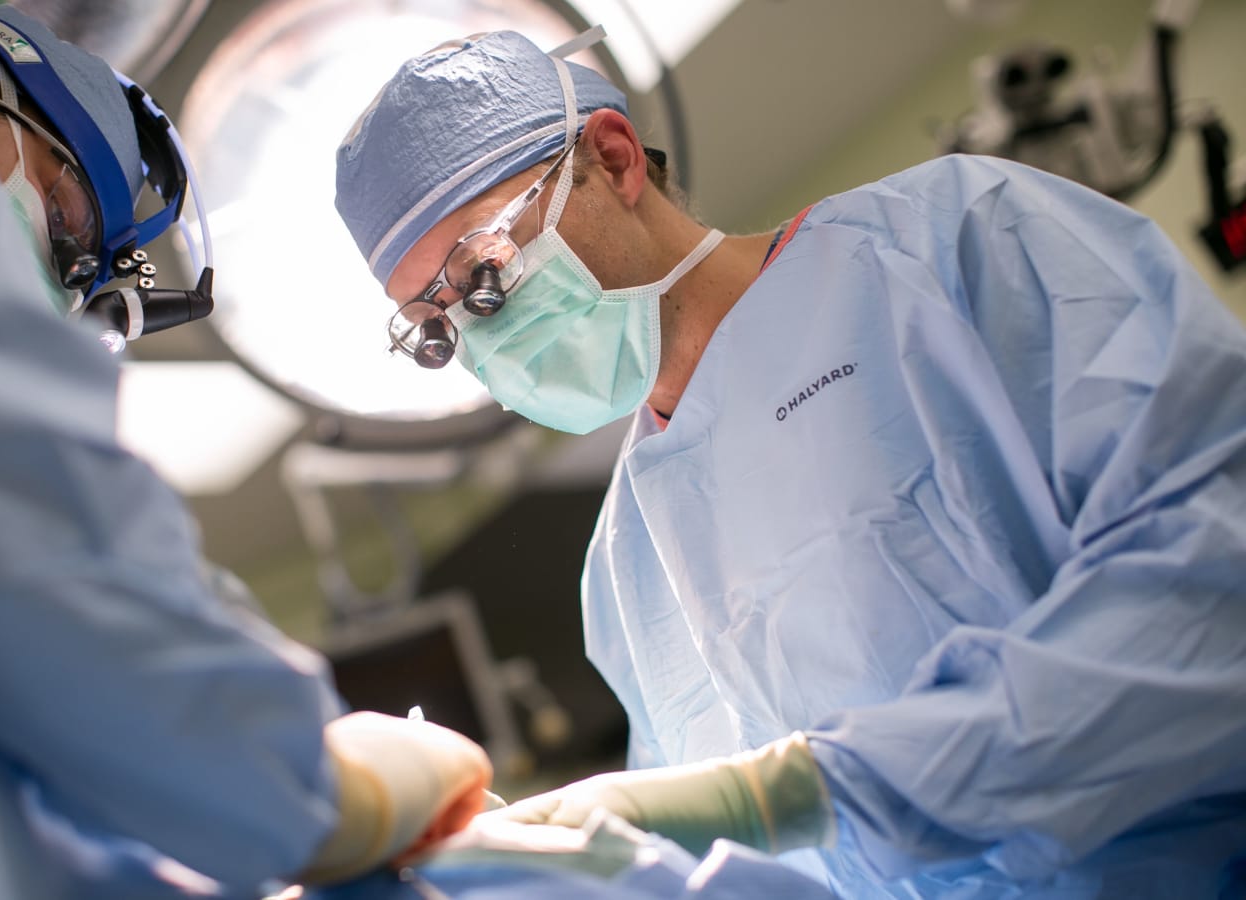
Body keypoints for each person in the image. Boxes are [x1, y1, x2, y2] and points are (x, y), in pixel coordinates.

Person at [334, 27, 1246, 898]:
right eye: (439, 323)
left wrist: (790, 795)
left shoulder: (955, 249)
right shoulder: (627, 564)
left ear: (612, 159)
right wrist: (561, 870)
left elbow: (1211, 583)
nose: (481, 334)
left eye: (486, 270)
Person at [0, 3, 493, 898]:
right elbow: (25, 539)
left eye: (78, 281)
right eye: (62, 214)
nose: (55, 286)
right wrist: (327, 786)